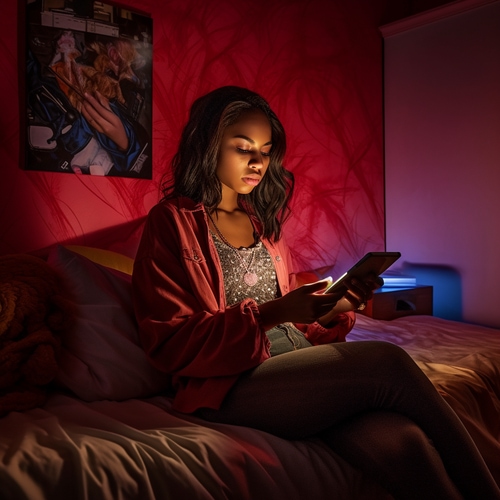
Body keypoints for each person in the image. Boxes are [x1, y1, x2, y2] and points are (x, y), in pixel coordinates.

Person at [132, 86, 500, 499]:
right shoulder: (172, 222)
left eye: (266, 150)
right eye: (243, 147)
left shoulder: (262, 223)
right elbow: (168, 341)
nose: (257, 162)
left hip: (294, 361)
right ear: (208, 144)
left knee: (405, 444)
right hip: (230, 383)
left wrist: (333, 308)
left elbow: (291, 320)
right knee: (387, 360)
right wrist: (271, 314)